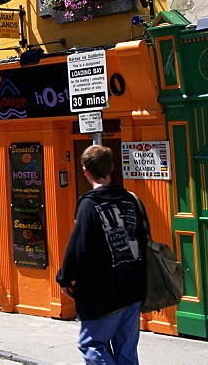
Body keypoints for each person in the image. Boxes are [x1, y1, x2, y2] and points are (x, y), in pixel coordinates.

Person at [57, 145, 147, 365]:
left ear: (85, 170)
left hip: (102, 292)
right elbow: (144, 240)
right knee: (126, 351)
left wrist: (65, 278)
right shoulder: (131, 200)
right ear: (112, 168)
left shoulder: (89, 204)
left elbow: (79, 246)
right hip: (132, 287)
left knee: (92, 345)